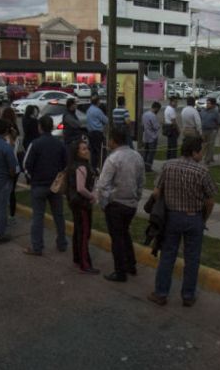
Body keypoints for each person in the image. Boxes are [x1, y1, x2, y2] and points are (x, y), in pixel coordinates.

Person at [148, 136, 218, 307]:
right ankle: (188, 295)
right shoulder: (202, 171)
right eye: (201, 150)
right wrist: (204, 218)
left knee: (168, 255)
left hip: (172, 217)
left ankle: (161, 293)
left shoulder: (168, 165)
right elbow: (210, 200)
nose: (202, 153)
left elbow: (156, 192)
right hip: (193, 217)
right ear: (194, 152)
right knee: (192, 258)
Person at [95, 127, 145, 282]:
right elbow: (141, 181)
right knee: (124, 233)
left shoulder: (113, 159)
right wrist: (136, 198)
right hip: (130, 204)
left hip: (116, 204)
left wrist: (105, 202)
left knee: (117, 238)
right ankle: (131, 264)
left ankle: (120, 271)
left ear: (114, 141)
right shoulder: (137, 156)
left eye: (110, 139)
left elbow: (103, 185)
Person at [23, 115, 68, 254]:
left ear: (40, 127)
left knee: (38, 217)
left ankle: (37, 247)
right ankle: (62, 243)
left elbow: (26, 164)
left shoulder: (35, 144)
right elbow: (65, 163)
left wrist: (32, 178)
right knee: (59, 216)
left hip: (38, 185)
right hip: (54, 185)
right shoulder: (59, 143)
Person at [65, 139, 99, 273]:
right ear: (77, 152)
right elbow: (80, 188)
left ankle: (77, 257)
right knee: (84, 233)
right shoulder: (82, 167)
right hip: (82, 204)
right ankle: (85, 264)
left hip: (75, 203)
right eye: (83, 149)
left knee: (78, 231)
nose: (87, 151)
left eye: (87, 148)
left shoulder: (74, 165)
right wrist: (92, 196)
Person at [1, 107, 22, 222]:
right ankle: (12, 215)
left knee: (4, 192)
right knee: (11, 191)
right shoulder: (16, 138)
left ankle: (5, 215)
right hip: (16, 167)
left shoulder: (4, 140)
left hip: (6, 168)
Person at [86, 95, 109, 169]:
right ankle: (101, 166)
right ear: (97, 102)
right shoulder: (98, 111)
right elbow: (106, 120)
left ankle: (93, 166)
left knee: (93, 151)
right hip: (97, 132)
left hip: (90, 132)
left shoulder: (89, 110)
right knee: (101, 151)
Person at [200, 97, 220, 166]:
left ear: (213, 105)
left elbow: (219, 122)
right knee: (203, 145)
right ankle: (203, 157)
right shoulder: (203, 111)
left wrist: (216, 130)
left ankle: (207, 160)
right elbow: (200, 119)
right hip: (203, 130)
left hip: (211, 131)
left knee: (210, 146)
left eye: (209, 103)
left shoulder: (215, 112)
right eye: (207, 103)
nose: (207, 104)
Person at [142, 102, 162, 172]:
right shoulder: (153, 116)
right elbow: (156, 127)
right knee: (151, 154)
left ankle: (144, 167)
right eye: (158, 109)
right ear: (156, 108)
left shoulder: (145, 114)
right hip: (152, 137)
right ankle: (148, 168)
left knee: (145, 153)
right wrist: (160, 124)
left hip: (146, 137)